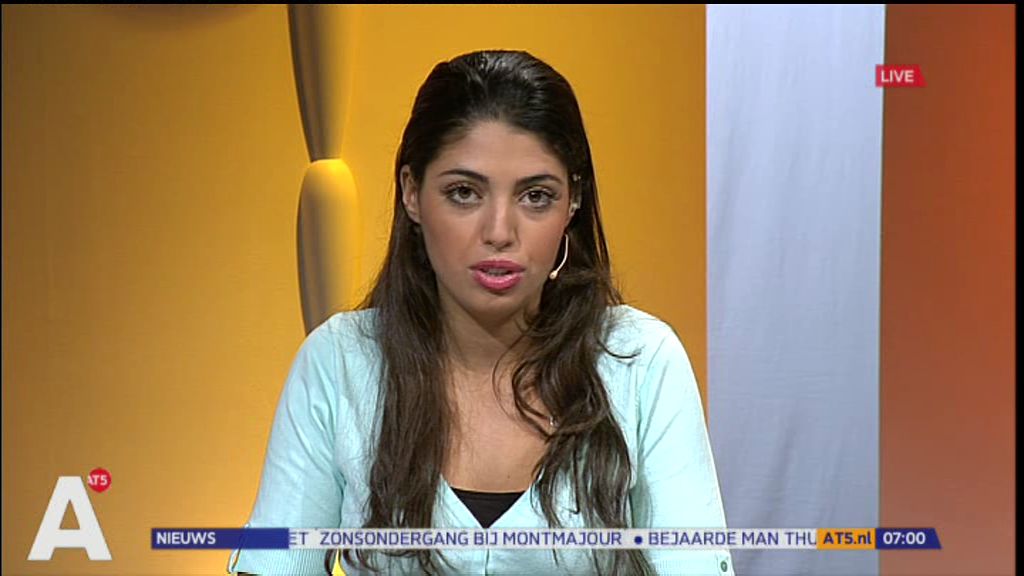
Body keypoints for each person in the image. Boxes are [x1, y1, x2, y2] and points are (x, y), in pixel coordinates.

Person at [229, 49, 733, 575]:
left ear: (573, 202)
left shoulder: (640, 361)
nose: (499, 232)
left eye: (535, 196)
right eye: (464, 193)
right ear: (411, 193)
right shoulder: (339, 363)